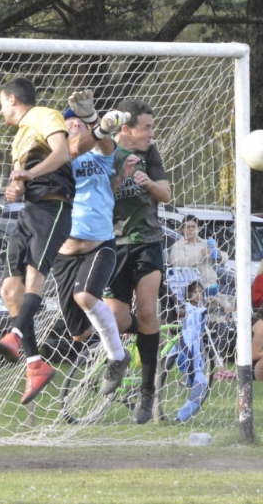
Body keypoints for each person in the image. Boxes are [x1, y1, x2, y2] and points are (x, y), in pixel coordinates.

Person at [0, 77, 76, 405]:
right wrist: (15, 187)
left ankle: (15, 335)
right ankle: (35, 363)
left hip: (53, 206)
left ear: (12, 99)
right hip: (28, 211)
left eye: (1, 103)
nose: (1, 111)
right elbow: (20, 183)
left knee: (34, 280)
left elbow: (62, 153)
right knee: (10, 290)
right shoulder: (17, 142)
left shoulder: (44, 115)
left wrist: (31, 174)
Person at [52, 91, 132, 396]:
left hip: (99, 245)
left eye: (77, 123)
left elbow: (106, 143)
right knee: (78, 333)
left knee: (86, 297)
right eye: (67, 123)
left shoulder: (99, 150)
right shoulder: (58, 157)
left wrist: (92, 120)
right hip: (64, 252)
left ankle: (117, 357)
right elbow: (67, 151)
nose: (73, 127)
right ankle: (121, 332)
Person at [107, 97, 172, 424]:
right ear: (125, 129)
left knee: (147, 310)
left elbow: (166, 192)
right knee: (116, 320)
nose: (151, 133)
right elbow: (101, 193)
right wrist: (122, 178)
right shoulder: (106, 152)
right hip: (112, 245)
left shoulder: (150, 152)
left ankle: (147, 392)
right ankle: (116, 358)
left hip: (148, 241)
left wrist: (150, 183)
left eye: (151, 126)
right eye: (145, 127)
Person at [169, 216, 224, 288]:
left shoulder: (206, 243)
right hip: (192, 291)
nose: (191, 229)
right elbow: (178, 264)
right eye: (188, 227)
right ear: (182, 229)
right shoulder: (178, 246)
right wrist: (200, 254)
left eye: (193, 227)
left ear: (198, 229)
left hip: (212, 285)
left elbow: (224, 256)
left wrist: (220, 256)